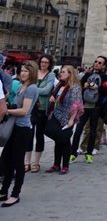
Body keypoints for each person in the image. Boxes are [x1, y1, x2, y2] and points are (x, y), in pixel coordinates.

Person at [0, 61, 39, 206]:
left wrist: (6, 111)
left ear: (32, 73)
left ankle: (15, 194)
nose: (23, 73)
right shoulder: (22, 87)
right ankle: (4, 191)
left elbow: (24, 111)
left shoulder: (31, 89)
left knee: (17, 162)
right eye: (22, 70)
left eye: (26, 71)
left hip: (22, 129)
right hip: (14, 128)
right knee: (6, 160)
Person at [45, 65, 82, 174]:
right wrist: (53, 99)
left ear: (70, 74)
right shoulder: (59, 85)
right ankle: (56, 164)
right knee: (58, 140)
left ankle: (65, 165)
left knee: (65, 141)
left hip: (67, 116)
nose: (61, 73)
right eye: (61, 72)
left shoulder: (74, 88)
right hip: (56, 115)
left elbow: (75, 104)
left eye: (64, 72)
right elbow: (56, 99)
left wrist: (71, 119)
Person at [25, 53, 55, 174]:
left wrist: (32, 89)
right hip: (31, 108)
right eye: (42, 62)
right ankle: (26, 162)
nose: (43, 64)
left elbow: (47, 90)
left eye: (46, 62)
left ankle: (36, 162)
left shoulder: (51, 75)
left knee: (39, 135)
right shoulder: (34, 72)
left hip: (42, 109)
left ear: (49, 64)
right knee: (28, 135)